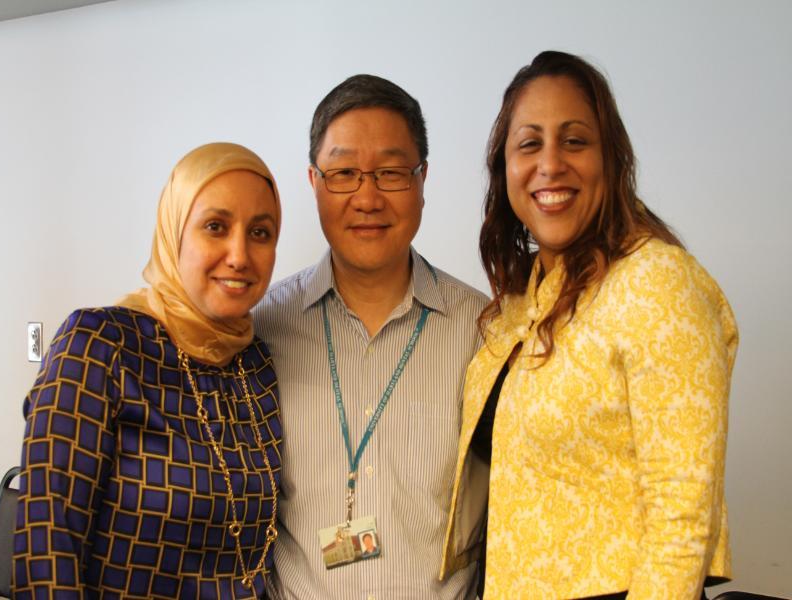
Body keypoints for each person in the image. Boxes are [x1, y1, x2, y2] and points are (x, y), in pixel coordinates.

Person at [441, 51, 738, 599]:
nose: (550, 164)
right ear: (504, 168)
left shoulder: (658, 282)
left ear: (611, 159)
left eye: (574, 140)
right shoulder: (518, 307)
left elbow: (681, 519)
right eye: (529, 144)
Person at [13, 143, 283, 599]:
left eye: (260, 232)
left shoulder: (256, 366)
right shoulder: (101, 345)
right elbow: (46, 546)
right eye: (215, 227)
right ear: (173, 231)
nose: (239, 255)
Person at [254, 75, 488, 599]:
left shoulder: (484, 332)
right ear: (313, 182)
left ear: (422, 178)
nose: (367, 197)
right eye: (343, 173)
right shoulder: (262, 329)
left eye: (390, 172)